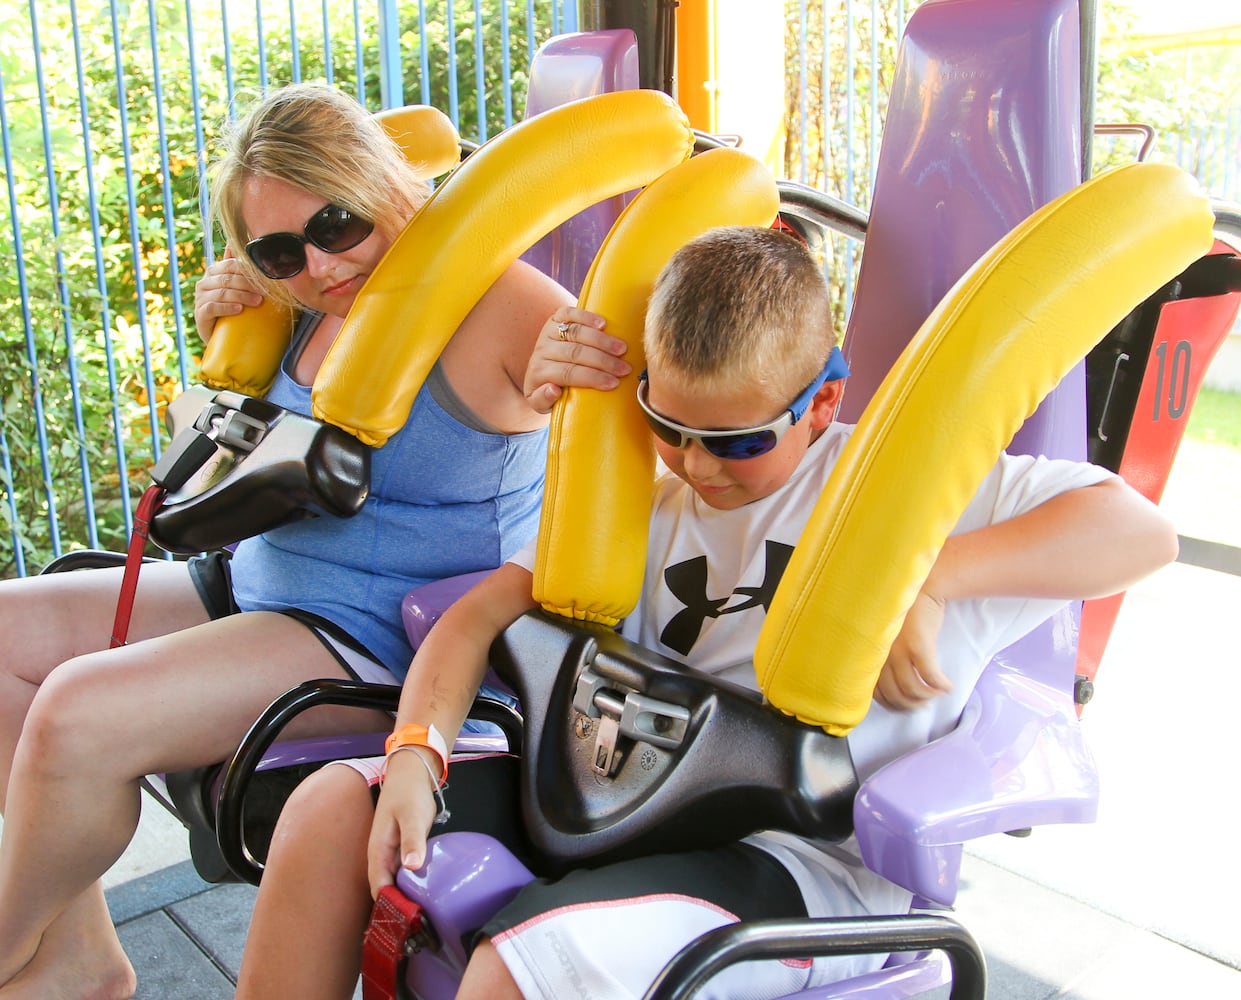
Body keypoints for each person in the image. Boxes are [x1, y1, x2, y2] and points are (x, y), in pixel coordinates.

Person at [234, 226, 1178, 999]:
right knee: (326, 812)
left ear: (823, 403)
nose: (697, 464)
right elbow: (475, 617)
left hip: (802, 863)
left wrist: (926, 579)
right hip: (617, 791)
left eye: (736, 441)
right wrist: (414, 754)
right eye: (667, 426)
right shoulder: (646, 502)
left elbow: (1138, 532)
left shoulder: (901, 492)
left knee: (518, 973)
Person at [0, 82, 572, 999]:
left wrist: (577, 367)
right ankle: (73, 958)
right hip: (257, 577)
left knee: (77, 711)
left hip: (376, 634)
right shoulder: (294, 300)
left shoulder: (500, 303)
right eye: (276, 248)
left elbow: (660, 435)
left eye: (336, 224)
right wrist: (225, 332)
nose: (317, 265)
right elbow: (244, 455)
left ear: (385, 185)